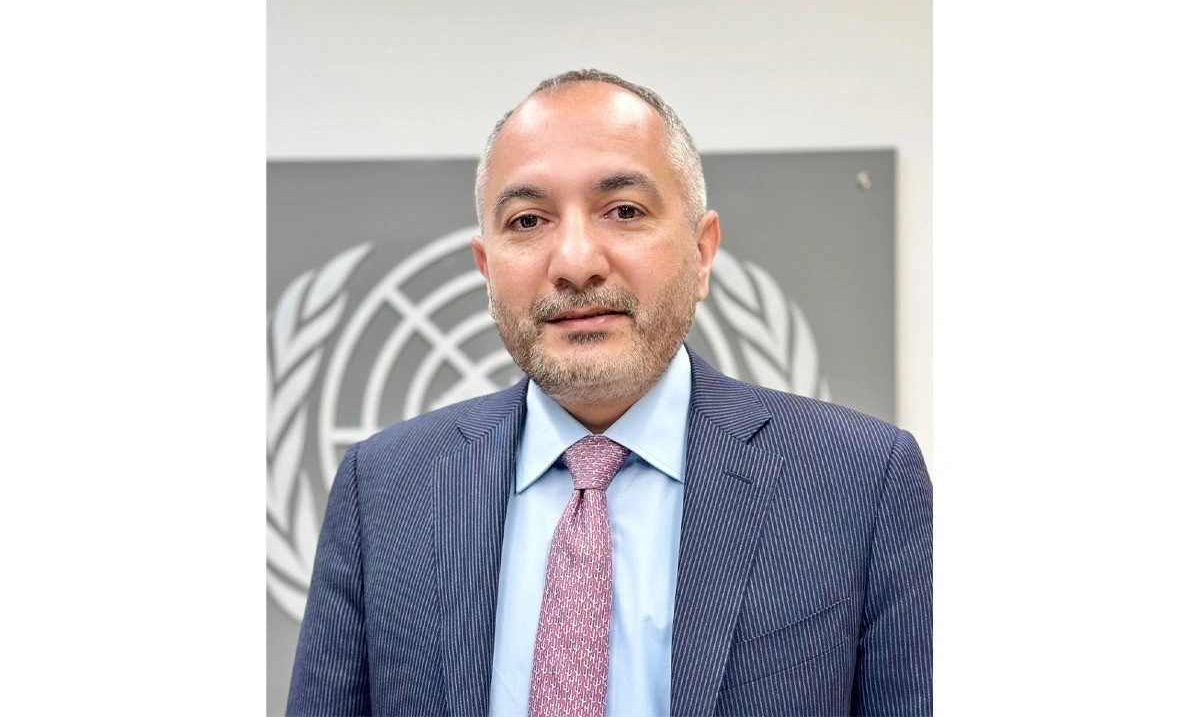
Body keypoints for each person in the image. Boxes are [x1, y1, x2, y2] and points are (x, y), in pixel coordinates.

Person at [287, 70, 932, 717]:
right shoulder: (383, 488)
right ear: (487, 270)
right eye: (528, 220)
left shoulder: (862, 480)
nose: (574, 263)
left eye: (624, 211)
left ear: (702, 253)